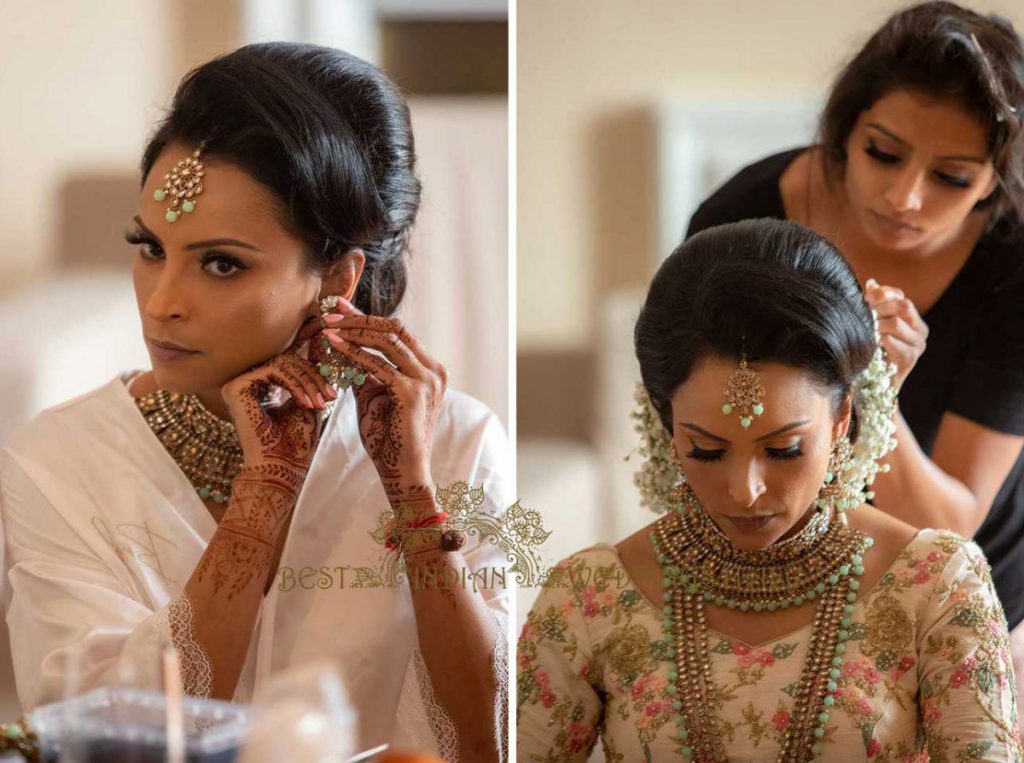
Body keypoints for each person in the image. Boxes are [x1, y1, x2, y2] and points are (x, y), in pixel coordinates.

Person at [0, 43, 509, 762]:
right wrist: (263, 492)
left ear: (335, 278)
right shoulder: (58, 460)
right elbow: (100, 739)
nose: (162, 303)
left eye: (221, 263)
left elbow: (493, 737)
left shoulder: (456, 442)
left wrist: (414, 494)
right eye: (149, 248)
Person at [517, 219, 1020, 761]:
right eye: (707, 450)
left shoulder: (938, 586)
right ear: (666, 427)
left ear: (840, 420)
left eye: (783, 450)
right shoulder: (591, 596)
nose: (745, 490)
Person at [685, 1, 1024, 708]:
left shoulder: (1013, 263)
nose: (905, 197)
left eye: (953, 177)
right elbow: (716, 449)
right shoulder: (740, 218)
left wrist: (873, 391)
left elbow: (949, 526)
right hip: (783, 563)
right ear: (846, 130)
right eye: (884, 153)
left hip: (975, 577)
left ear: (998, 178)